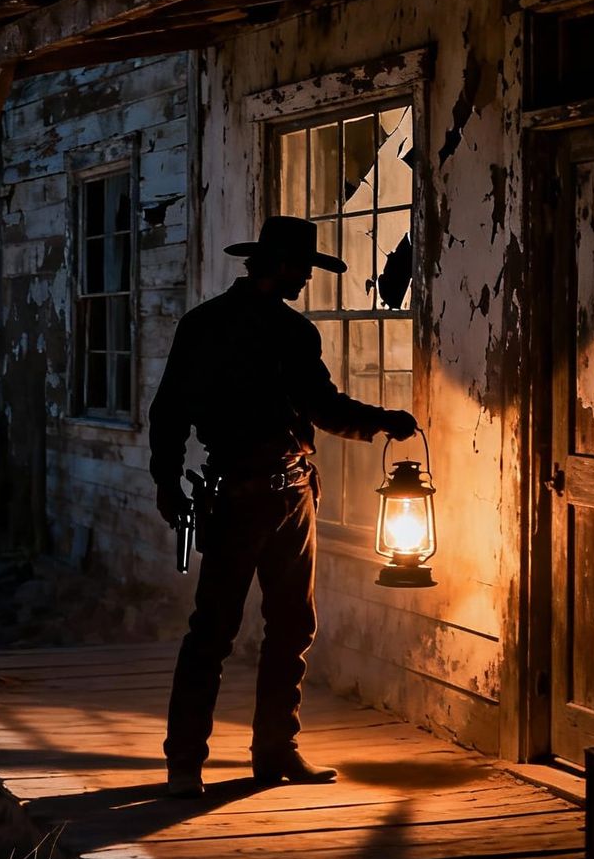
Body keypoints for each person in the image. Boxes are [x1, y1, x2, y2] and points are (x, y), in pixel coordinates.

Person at [149, 214, 418, 799]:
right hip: (238, 495)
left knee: (289, 626)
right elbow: (171, 412)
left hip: (289, 493)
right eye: (303, 269)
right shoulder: (220, 328)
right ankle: (186, 763)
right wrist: (166, 483)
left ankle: (273, 751)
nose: (306, 280)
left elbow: (318, 405)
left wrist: (380, 422)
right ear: (279, 265)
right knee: (214, 632)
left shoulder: (276, 331)